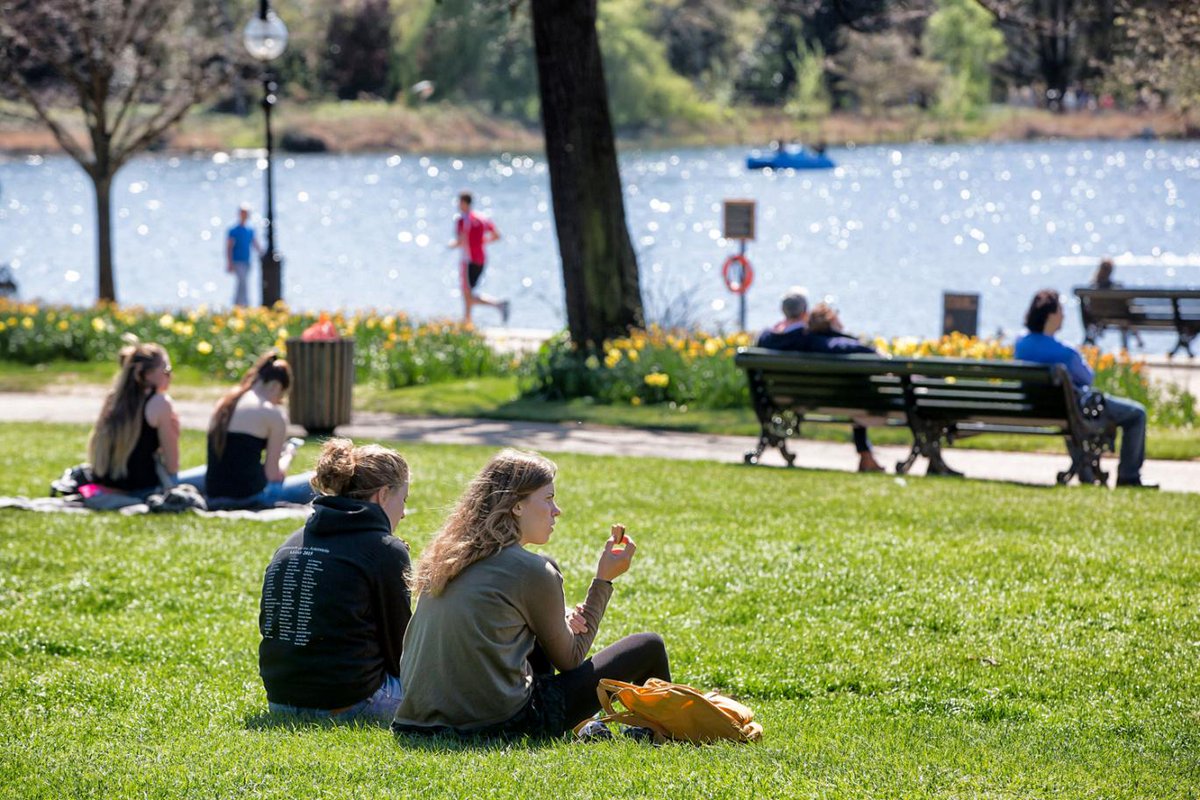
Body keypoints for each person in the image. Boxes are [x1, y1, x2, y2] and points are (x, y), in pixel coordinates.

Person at [392, 449, 670, 739]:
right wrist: (603, 580)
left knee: (541, 617)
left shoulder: (448, 559)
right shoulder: (532, 571)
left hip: (415, 722)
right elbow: (571, 659)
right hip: (497, 724)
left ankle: (595, 728)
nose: (557, 510)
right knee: (648, 646)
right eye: (548, 499)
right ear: (517, 506)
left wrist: (555, 619)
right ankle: (663, 732)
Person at [258, 438, 413, 724]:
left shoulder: (292, 542)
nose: (403, 512)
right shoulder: (385, 549)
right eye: (403, 500)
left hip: (280, 700)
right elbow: (402, 653)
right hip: (352, 703)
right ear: (383, 495)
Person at [1015, 289, 1155, 489]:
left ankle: (1085, 470)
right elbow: (1088, 377)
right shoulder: (1065, 352)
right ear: (1051, 315)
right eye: (1061, 310)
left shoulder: (1021, 345)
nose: (1063, 315)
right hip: (1074, 409)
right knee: (1137, 414)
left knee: (1074, 412)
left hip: (1040, 407)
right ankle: (1129, 476)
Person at [756, 288, 886, 473]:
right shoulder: (806, 337)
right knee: (856, 387)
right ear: (804, 312)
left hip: (777, 397)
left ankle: (867, 456)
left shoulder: (765, 338)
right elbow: (839, 348)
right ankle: (866, 454)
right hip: (825, 397)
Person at [181, 351, 316, 508]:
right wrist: (288, 455)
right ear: (276, 386)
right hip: (251, 497)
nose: (279, 401)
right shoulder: (272, 413)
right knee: (314, 480)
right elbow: (274, 476)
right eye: (281, 396)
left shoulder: (224, 403)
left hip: (214, 495)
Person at [87, 342, 181, 499]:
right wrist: (175, 432)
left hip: (105, 485)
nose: (170, 375)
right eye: (166, 370)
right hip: (143, 490)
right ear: (147, 374)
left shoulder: (113, 399)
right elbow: (172, 467)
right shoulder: (160, 403)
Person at [450, 191, 509, 325]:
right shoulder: (482, 218)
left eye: (459, 202)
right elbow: (496, 235)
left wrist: (450, 246)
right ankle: (468, 322)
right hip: (481, 259)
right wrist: (482, 242)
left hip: (468, 260)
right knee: (468, 292)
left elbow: (461, 241)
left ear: (464, 203)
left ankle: (498, 305)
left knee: (467, 294)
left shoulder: (462, 221)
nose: (458, 205)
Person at [1089, 257, 1143, 350]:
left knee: (1127, 316)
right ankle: (1136, 341)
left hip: (1098, 317)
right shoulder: (1116, 287)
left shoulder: (1092, 288)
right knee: (1130, 314)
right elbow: (1127, 302)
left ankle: (1137, 341)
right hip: (1120, 316)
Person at [226, 204, 262, 307]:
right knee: (242, 283)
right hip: (237, 260)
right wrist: (230, 262)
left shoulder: (250, 229)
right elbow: (229, 247)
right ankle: (242, 304)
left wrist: (262, 253)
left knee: (243, 283)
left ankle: (239, 304)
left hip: (247, 260)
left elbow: (254, 243)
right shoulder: (233, 230)